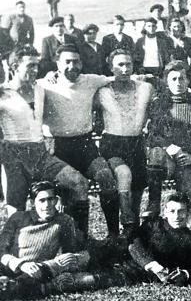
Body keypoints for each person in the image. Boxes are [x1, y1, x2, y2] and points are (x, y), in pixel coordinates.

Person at [35, 44, 126, 236]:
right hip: (57, 145)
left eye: (76, 61)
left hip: (85, 144)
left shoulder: (91, 80)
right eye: (67, 62)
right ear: (57, 64)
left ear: (82, 63)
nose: (72, 66)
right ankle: (81, 237)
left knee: (106, 177)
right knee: (75, 188)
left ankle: (113, 235)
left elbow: (119, 76)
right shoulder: (45, 84)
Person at [1, 46, 91, 234]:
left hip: (41, 154)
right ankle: (16, 253)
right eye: (30, 65)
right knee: (16, 210)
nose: (35, 70)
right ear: (14, 66)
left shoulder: (41, 87)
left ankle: (78, 238)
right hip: (14, 157)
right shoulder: (3, 93)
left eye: (37, 65)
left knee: (79, 182)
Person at [0, 181, 91, 300]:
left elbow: (71, 251)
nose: (47, 205)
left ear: (56, 200)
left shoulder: (63, 221)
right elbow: (1, 250)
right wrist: (21, 264)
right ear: (32, 203)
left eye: (50, 199)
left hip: (39, 270)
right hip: (8, 266)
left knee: (68, 259)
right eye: (42, 201)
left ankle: (15, 286)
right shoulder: (18, 218)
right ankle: (10, 284)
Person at [94, 48, 154, 230]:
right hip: (112, 143)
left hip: (136, 143)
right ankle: (113, 231)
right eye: (120, 65)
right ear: (111, 68)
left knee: (136, 191)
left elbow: (170, 90)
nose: (125, 69)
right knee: (122, 176)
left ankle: (131, 233)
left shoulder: (145, 88)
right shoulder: (102, 91)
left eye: (128, 64)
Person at [145, 60, 191, 217]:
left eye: (182, 78)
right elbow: (153, 134)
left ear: (188, 80)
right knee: (155, 153)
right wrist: (173, 149)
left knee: (190, 208)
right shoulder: (160, 103)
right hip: (169, 160)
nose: (178, 83)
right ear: (167, 81)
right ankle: (153, 207)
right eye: (173, 79)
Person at [127, 192, 191, 287]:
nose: (176, 216)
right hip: (132, 268)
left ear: (188, 212)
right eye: (172, 211)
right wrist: (151, 264)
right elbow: (134, 243)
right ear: (165, 212)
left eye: (181, 211)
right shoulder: (154, 224)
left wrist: (184, 274)